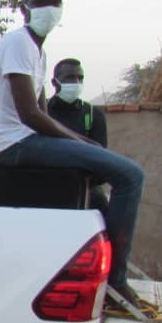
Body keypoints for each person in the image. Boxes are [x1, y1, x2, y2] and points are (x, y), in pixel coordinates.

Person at [0, 0, 160, 320]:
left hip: (24, 140)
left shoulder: (37, 52)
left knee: (97, 181)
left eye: (57, 2)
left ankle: (92, 267)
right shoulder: (17, 43)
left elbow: (44, 114)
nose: (51, 8)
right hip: (11, 145)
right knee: (130, 175)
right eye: (44, 2)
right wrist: (78, 141)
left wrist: (84, 144)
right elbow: (30, 114)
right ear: (24, 8)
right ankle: (117, 283)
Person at [47, 58, 110, 218]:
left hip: (85, 185)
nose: (76, 82)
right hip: (47, 183)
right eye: (69, 77)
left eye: (80, 78)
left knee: (103, 209)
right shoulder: (42, 112)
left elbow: (102, 162)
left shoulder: (93, 115)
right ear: (55, 82)